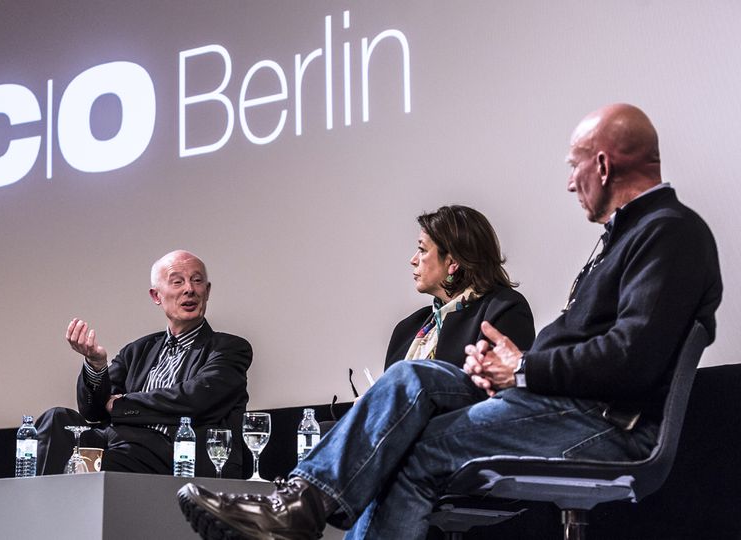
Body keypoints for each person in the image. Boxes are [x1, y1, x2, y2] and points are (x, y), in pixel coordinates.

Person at [176, 104, 722, 539]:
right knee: (410, 379)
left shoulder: (669, 232)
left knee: (415, 450)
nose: (569, 182)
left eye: (573, 166)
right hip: (563, 406)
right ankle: (300, 502)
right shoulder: (630, 236)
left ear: (602, 165)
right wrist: (504, 371)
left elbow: (632, 359)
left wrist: (524, 369)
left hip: (609, 427)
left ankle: (300, 508)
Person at [35, 250, 253, 478]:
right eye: (177, 282)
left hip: (173, 451)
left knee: (96, 464)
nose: (189, 289)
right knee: (57, 419)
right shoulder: (138, 350)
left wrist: (122, 404)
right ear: (156, 296)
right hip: (115, 442)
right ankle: (39, 508)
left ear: (206, 291)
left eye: (197, 281)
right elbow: (93, 410)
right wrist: (96, 364)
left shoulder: (230, 348)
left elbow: (196, 399)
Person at [384, 205, 534, 372]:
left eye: (422, 250)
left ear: (453, 262)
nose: (413, 260)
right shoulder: (406, 329)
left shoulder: (505, 310)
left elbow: (503, 389)